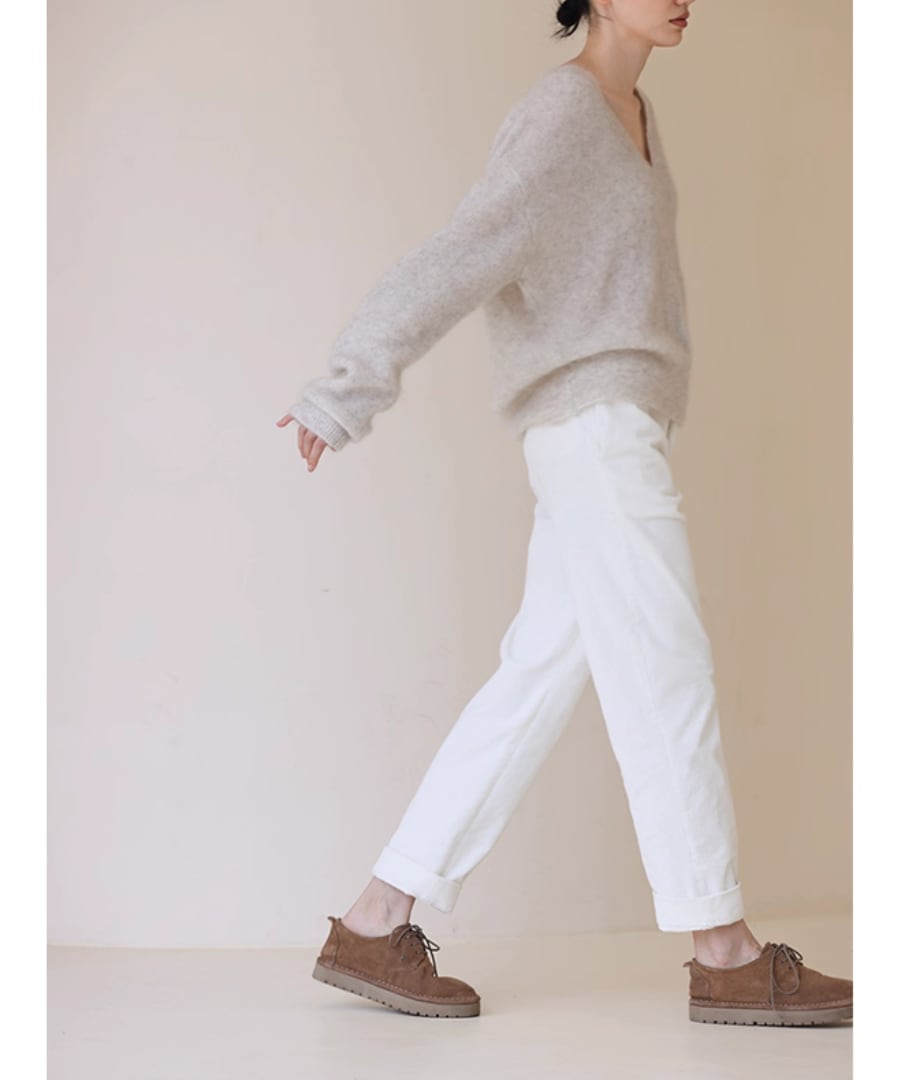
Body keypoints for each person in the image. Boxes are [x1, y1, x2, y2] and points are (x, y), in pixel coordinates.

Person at [276, 0, 852, 1025]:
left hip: (616, 423)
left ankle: (376, 916)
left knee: (535, 676)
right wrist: (346, 387)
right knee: (667, 664)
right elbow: (461, 253)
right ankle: (722, 948)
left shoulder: (634, 113)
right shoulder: (564, 113)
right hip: (594, 427)